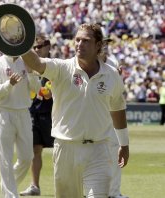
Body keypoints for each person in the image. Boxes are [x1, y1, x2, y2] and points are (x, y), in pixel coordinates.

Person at [21, 23, 130, 198]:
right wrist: (19, 44)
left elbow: (117, 108)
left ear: (98, 45)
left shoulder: (112, 74)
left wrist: (124, 144)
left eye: (86, 41)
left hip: (99, 149)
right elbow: (37, 62)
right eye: (77, 40)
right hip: (66, 148)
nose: (79, 44)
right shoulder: (62, 68)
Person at [0, 50, 41, 197]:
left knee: (27, 156)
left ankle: (6, 186)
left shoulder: (27, 61)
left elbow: (37, 89)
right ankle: (10, 194)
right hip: (3, 112)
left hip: (23, 111)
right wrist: (9, 84)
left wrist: (30, 72)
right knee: (5, 157)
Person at [20, 35, 55, 196]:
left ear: (48, 47)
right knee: (35, 150)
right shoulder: (26, 66)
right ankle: (35, 185)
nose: (36, 50)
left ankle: (64, 184)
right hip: (33, 111)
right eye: (34, 47)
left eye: (40, 46)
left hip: (52, 113)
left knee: (60, 151)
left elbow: (48, 94)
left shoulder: (54, 66)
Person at [100, 36, 129, 198]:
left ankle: (114, 192)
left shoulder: (113, 62)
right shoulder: (87, 63)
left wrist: (117, 76)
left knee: (116, 152)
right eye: (102, 43)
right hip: (93, 115)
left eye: (107, 43)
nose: (105, 46)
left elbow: (119, 91)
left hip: (110, 115)